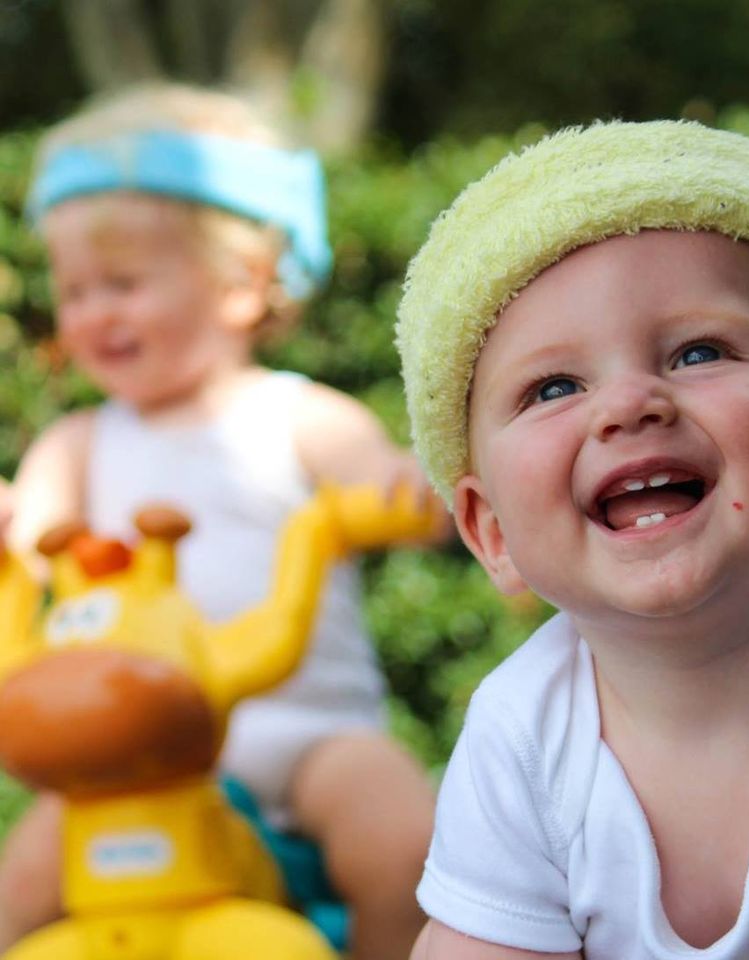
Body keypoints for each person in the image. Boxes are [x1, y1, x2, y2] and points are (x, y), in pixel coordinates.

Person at [394, 119, 749, 958]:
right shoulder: (523, 732)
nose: (630, 403)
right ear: (491, 530)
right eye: (554, 386)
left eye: (699, 351)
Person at [0, 82, 440, 960]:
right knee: (20, 886)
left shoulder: (298, 414)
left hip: (308, 734)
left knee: (406, 847)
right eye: (76, 289)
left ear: (240, 285)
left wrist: (401, 488)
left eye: (123, 283)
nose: (92, 313)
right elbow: (29, 545)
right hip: (135, 755)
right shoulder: (80, 442)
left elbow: (393, 491)